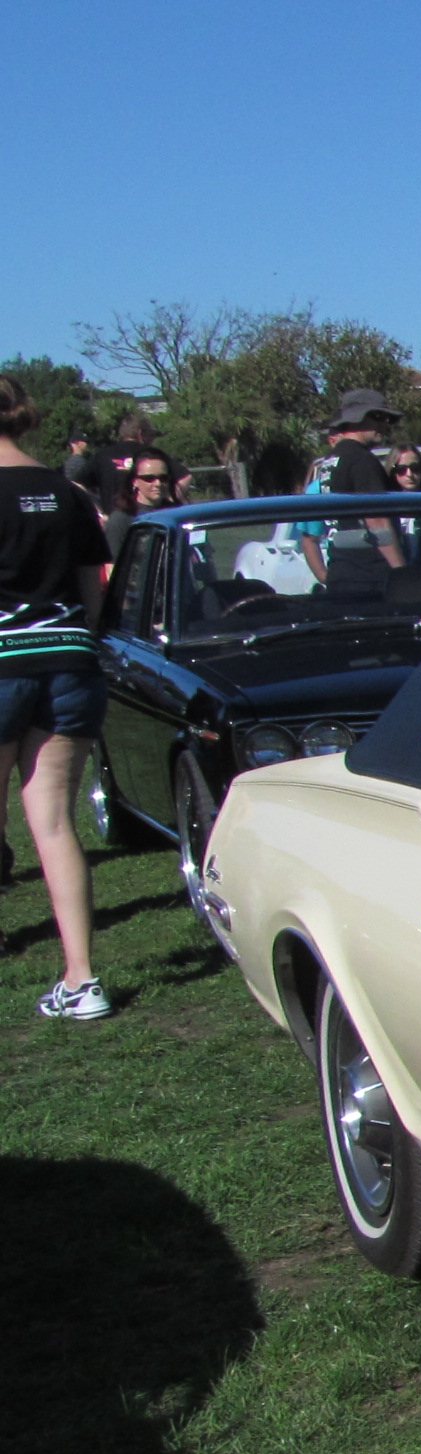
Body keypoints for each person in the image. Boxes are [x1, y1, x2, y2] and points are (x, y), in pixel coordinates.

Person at [0, 374, 115, 1019]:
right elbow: (91, 590)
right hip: (70, 663)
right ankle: (82, 978)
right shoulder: (65, 491)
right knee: (52, 825)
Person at [320, 391, 409, 570]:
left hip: (340, 568)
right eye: (377, 417)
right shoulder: (361, 460)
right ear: (355, 418)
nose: (384, 425)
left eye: (387, 419)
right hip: (370, 573)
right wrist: (401, 571)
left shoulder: (332, 459)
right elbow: (376, 520)